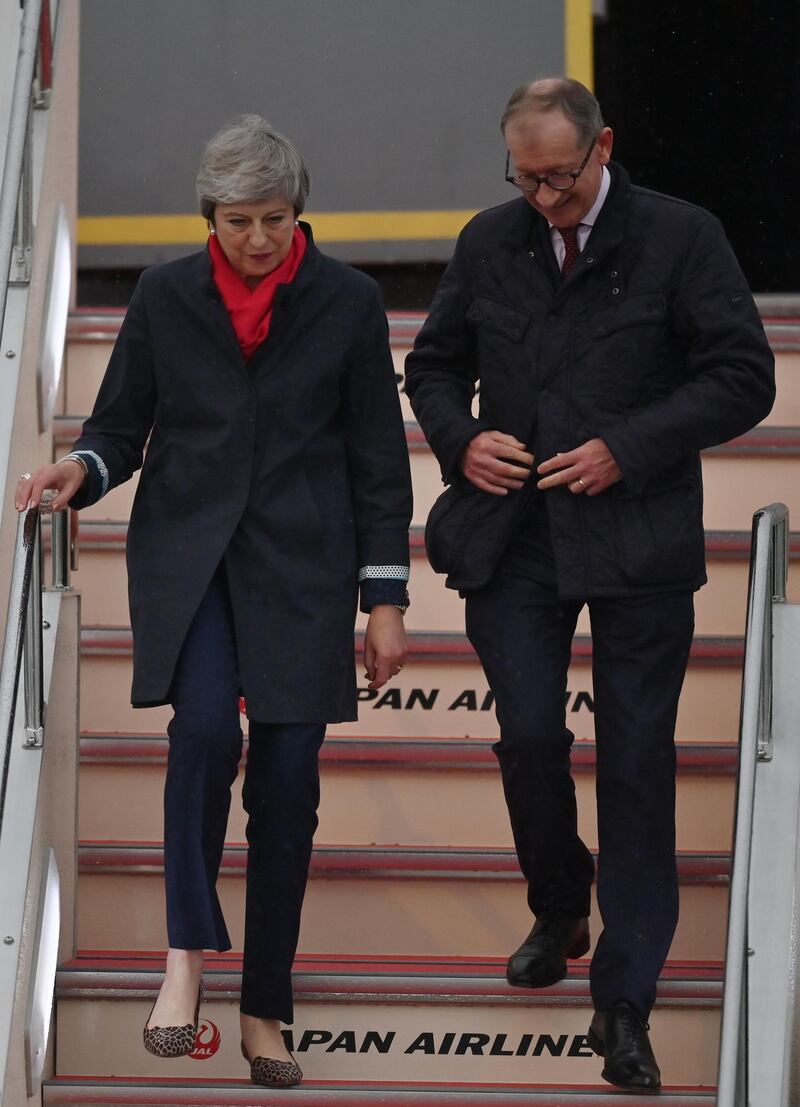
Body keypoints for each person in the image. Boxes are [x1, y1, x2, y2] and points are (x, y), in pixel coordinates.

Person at [16, 115, 412, 1089]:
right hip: (188, 563)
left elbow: (375, 457)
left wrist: (384, 599)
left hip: (304, 573)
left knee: (287, 788)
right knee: (200, 739)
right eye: (239, 220)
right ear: (211, 215)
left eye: (275, 218)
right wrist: (81, 466)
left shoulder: (349, 302)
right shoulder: (162, 294)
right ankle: (185, 957)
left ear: (297, 214)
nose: (259, 239)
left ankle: (266, 1005)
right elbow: (121, 425)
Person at [405, 77, 774, 1092]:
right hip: (512, 533)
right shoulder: (489, 238)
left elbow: (742, 375)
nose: (543, 200)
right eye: (525, 180)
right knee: (527, 733)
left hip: (635, 534)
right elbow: (432, 366)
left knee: (635, 766)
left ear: (601, 147)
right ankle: (558, 900)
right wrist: (459, 437)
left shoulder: (681, 235)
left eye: (560, 180)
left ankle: (623, 1001)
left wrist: (626, 446)